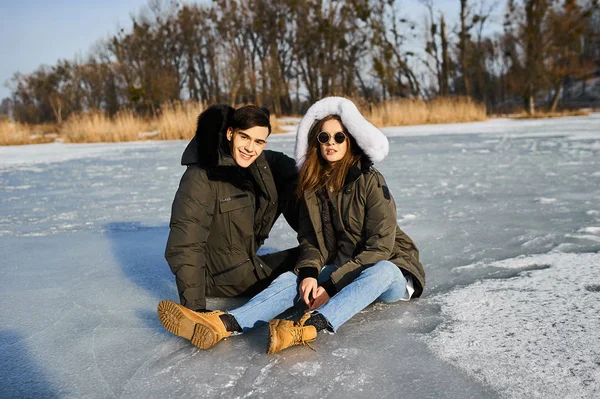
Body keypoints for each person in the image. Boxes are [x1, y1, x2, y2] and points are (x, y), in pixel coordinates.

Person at [158, 97, 425, 354]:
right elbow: (311, 238)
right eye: (324, 137)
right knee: (295, 279)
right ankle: (224, 324)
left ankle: (307, 328)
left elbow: (380, 247)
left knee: (384, 270)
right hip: (344, 265)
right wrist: (310, 272)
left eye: (339, 137)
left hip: (389, 269)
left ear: (351, 141)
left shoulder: (370, 181)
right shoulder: (313, 185)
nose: (331, 143)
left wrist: (330, 286)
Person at [160, 104, 300, 319]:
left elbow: (291, 167)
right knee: (307, 274)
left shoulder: (257, 164)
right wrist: (196, 310)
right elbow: (185, 245)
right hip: (221, 278)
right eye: (244, 137)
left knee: (316, 255)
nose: (250, 148)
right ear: (230, 133)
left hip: (246, 263)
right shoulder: (201, 176)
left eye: (258, 142)